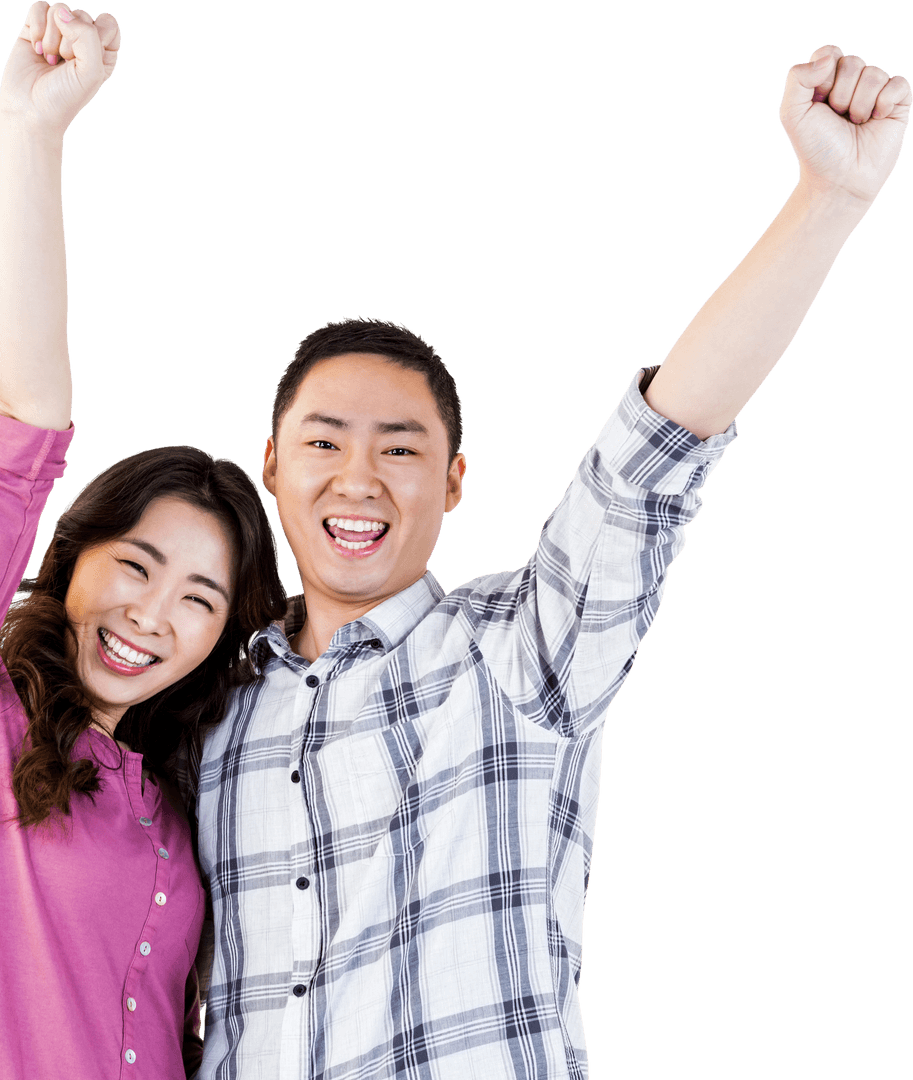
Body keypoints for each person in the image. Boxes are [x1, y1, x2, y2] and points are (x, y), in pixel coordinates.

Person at [188, 42, 912, 1080]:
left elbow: (649, 461)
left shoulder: (515, 659)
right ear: (271, 463)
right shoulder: (208, 708)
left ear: (453, 482)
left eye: (400, 449)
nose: (358, 478)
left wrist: (826, 197)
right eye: (323, 442)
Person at [0, 6, 286, 1079]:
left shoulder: (171, 797)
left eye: (198, 597)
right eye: (137, 566)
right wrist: (32, 135)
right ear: (74, 554)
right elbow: (22, 421)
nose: (153, 613)